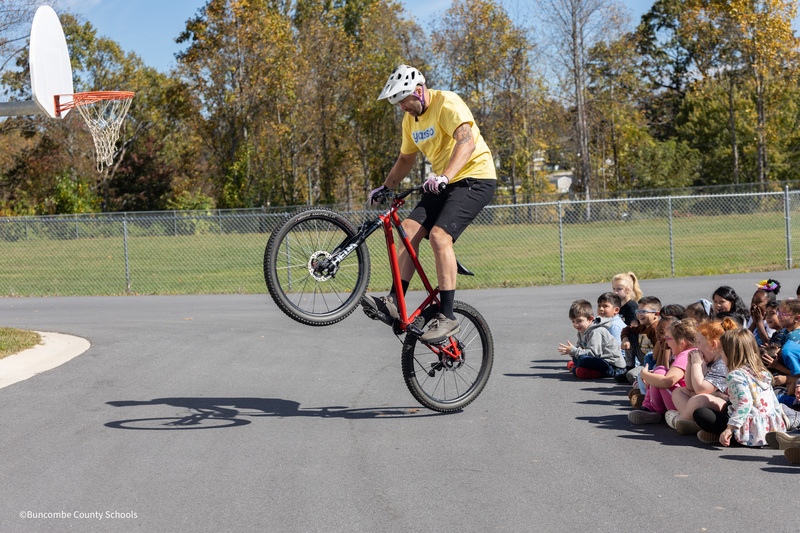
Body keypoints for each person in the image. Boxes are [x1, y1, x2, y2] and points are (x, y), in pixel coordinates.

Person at [363, 65, 497, 343]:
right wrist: (386, 187)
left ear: (419, 91)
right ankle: (394, 301)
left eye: (404, 101)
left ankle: (447, 317)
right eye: (397, 103)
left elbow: (467, 142)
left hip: (474, 177)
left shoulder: (447, 103)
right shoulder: (410, 121)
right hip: (443, 182)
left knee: (439, 236)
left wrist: (446, 175)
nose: (402, 108)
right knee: (407, 232)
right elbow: (405, 159)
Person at [693, 329, 786, 446]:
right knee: (727, 404)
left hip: (748, 433)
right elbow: (773, 402)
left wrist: (729, 429)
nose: (720, 354)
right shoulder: (761, 371)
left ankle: (725, 436)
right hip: (770, 428)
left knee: (701, 413)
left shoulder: (735, 375)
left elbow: (745, 402)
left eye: (721, 350)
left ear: (730, 353)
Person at [668, 318, 736, 435]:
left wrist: (696, 364)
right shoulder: (707, 359)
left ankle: (680, 420)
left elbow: (700, 389)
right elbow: (690, 386)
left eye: (699, 343)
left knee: (698, 399)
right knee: (679, 392)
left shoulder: (722, 363)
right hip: (709, 399)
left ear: (713, 345)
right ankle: (694, 423)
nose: (696, 347)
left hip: (726, 406)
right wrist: (691, 364)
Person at [628, 318, 696, 424]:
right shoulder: (693, 352)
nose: (667, 341)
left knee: (659, 371)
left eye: (669, 338)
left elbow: (668, 381)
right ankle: (649, 408)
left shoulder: (685, 355)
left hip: (681, 403)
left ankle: (651, 409)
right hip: (687, 401)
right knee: (659, 371)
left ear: (682, 343)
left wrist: (644, 375)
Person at [558, 299, 625, 379]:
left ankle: (580, 369)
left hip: (612, 365)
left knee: (582, 359)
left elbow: (594, 353)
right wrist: (573, 352)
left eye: (579, 321)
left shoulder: (596, 332)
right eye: (573, 321)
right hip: (598, 360)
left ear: (590, 319)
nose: (576, 324)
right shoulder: (582, 330)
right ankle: (578, 368)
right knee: (577, 358)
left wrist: (575, 351)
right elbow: (580, 347)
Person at [618, 296, 661, 377]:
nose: (639, 314)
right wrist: (625, 339)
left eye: (644, 312)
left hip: (652, 363)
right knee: (630, 335)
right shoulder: (643, 326)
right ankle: (629, 366)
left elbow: (659, 354)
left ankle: (647, 379)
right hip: (643, 360)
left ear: (656, 314)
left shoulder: (656, 329)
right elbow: (627, 329)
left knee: (631, 375)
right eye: (638, 311)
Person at [748, 279, 780, 345]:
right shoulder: (753, 317)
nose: (754, 304)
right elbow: (744, 338)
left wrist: (759, 322)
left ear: (768, 305)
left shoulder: (772, 319)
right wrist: (754, 321)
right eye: (753, 301)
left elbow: (768, 343)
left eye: (758, 302)